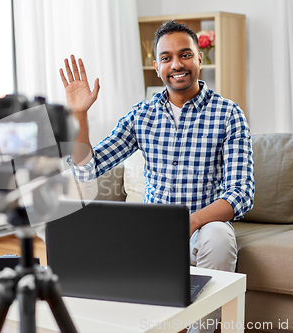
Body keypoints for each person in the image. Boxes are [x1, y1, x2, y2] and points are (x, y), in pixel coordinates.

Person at [59, 20, 254, 333]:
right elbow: (88, 167)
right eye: (166, 58)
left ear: (199, 59)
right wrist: (79, 115)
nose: (176, 64)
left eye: (185, 55)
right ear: (156, 66)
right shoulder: (142, 114)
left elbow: (240, 193)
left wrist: (188, 223)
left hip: (202, 229)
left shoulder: (228, 113)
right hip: (154, 231)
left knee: (219, 236)